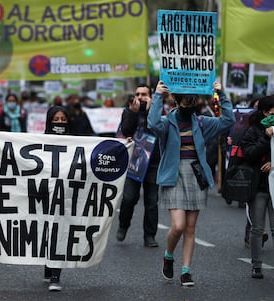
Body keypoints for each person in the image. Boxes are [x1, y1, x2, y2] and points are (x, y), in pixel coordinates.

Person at [147, 81, 235, 286]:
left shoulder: (203, 122)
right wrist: (158, 95)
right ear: (177, 102)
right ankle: (168, 256)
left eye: (193, 102)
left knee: (190, 227)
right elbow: (151, 123)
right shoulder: (166, 123)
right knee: (177, 226)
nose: (190, 105)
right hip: (173, 175)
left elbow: (229, 120)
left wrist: (221, 93)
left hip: (196, 176)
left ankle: (186, 271)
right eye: (186, 102)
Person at [116, 84, 161, 248]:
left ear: (151, 96)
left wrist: (151, 110)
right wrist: (134, 114)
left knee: (151, 201)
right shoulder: (128, 112)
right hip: (134, 162)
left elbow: (156, 128)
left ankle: (149, 236)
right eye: (138, 94)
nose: (140, 97)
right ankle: (123, 225)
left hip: (153, 162)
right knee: (129, 198)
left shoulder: (157, 111)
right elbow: (126, 131)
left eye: (144, 94)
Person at [240, 95, 274, 279]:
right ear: (265, 112)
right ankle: (256, 265)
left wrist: (272, 163)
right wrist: (264, 139)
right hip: (259, 185)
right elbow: (249, 154)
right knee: (258, 228)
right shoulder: (253, 131)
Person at [43, 105, 70, 291]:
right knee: (45, 231)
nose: (60, 123)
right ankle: (47, 263)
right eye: (56, 120)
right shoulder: (40, 140)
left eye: (63, 119)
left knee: (59, 231)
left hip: (65, 195)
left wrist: (123, 143)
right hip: (43, 193)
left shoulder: (77, 141)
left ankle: (55, 276)